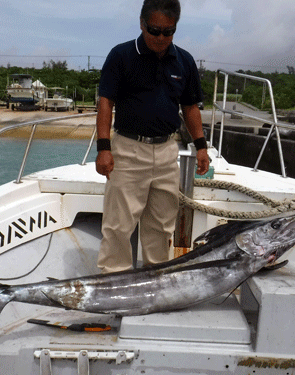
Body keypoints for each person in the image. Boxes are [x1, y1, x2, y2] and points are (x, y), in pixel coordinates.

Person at [95, 0, 210, 273]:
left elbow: (191, 107)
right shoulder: (121, 55)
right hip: (128, 149)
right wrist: (103, 148)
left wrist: (201, 147)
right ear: (141, 23)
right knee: (119, 225)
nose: (160, 38)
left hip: (167, 150)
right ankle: (114, 280)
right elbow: (105, 103)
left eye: (168, 32)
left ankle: (157, 278)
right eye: (154, 30)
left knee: (161, 224)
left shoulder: (184, 61)